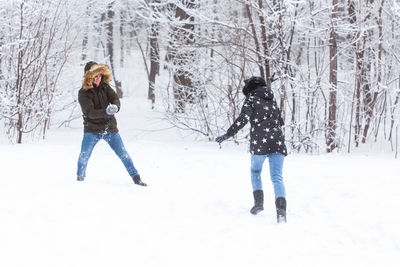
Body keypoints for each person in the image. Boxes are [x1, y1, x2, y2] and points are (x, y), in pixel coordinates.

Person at [215, 76, 287, 223]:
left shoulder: (251, 99)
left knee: (255, 172)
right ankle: (281, 212)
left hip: (260, 142)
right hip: (278, 142)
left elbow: (243, 119)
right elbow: (281, 121)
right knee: (277, 178)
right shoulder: (272, 101)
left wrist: (228, 134)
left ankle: (258, 203)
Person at [76, 61, 147, 186]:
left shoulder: (105, 87)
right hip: (92, 130)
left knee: (123, 154)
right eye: (95, 76)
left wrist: (115, 107)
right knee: (84, 156)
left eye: (99, 76)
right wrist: (106, 111)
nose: (98, 79)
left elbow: (115, 98)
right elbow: (90, 112)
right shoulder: (83, 93)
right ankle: (79, 180)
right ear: (89, 77)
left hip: (110, 128)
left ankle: (136, 178)